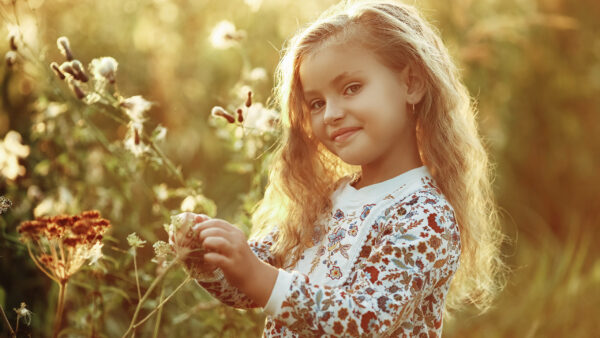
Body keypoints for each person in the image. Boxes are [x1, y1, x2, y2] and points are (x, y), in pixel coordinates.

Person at [170, 0, 507, 336]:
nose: (330, 113)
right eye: (317, 103)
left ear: (412, 84)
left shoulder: (425, 216)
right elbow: (250, 283)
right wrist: (209, 255)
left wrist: (256, 274)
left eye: (351, 88)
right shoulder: (324, 201)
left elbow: (365, 319)